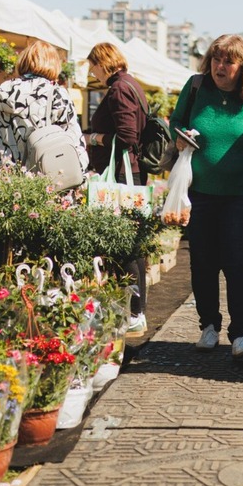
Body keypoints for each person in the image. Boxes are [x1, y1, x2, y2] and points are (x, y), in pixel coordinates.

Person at [168, 34, 243, 361]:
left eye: (229, 61)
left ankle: (241, 334)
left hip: (242, 196)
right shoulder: (196, 88)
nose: (221, 67)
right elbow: (176, 121)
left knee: (238, 265)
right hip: (201, 194)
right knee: (202, 262)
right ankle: (208, 325)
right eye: (216, 59)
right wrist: (179, 138)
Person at [85, 41, 150, 337]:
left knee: (125, 245)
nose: (92, 73)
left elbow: (127, 136)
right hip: (129, 175)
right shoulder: (130, 83)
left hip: (123, 178)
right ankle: (135, 310)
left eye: (93, 66)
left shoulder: (119, 88)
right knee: (132, 244)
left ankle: (135, 311)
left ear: (103, 62)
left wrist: (95, 138)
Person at [0, 40, 89, 178]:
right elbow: (74, 143)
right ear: (54, 65)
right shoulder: (55, 95)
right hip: (41, 184)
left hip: (0, 183)